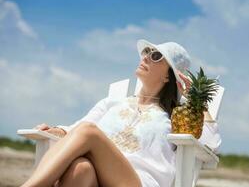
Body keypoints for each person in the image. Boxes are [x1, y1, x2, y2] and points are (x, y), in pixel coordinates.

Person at [22, 39, 221, 187]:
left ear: (170, 76)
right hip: (97, 177)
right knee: (81, 168)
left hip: (138, 182)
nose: (145, 57)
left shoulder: (175, 116)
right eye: (146, 52)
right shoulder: (113, 102)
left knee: (89, 132)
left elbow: (211, 144)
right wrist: (56, 131)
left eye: (155, 56)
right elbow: (74, 129)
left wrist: (197, 102)